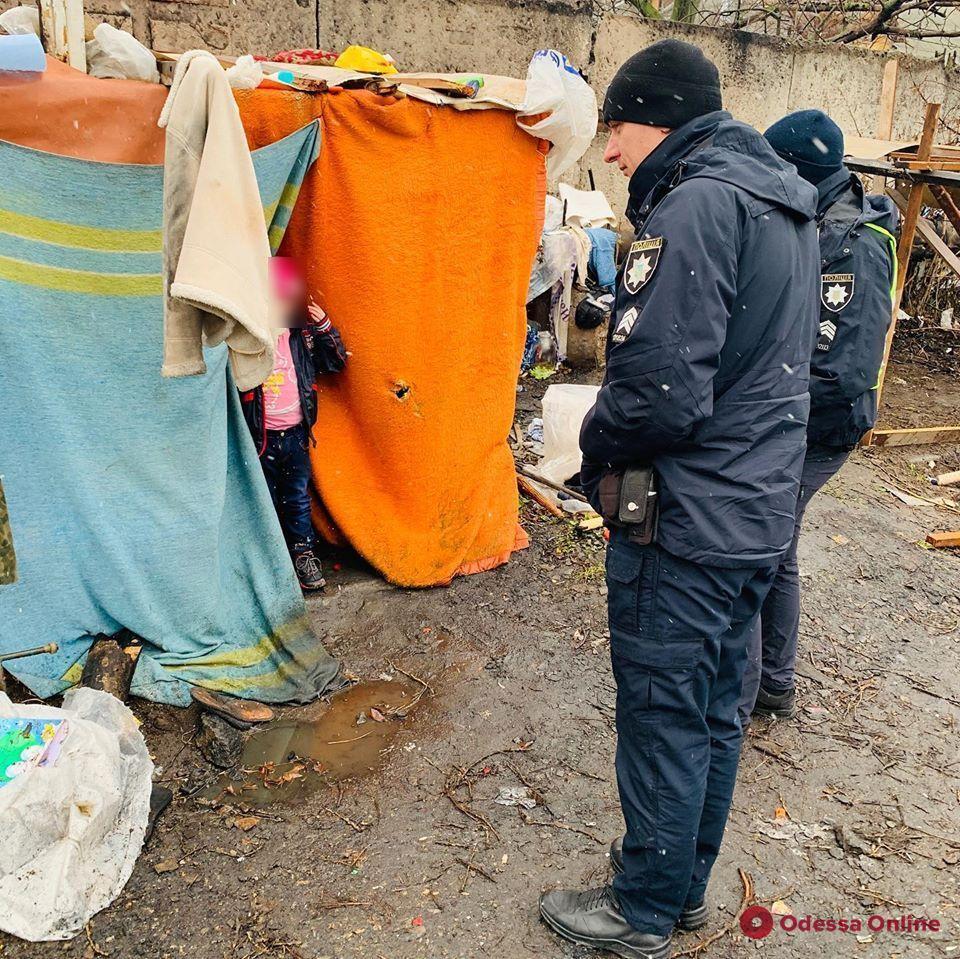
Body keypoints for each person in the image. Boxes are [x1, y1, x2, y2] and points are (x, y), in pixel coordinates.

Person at [538, 40, 820, 959]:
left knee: (663, 709)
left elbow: (659, 389)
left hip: (689, 520)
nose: (611, 152)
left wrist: (592, 453)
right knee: (711, 710)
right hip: (755, 515)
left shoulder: (697, 204)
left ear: (652, 116)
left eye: (614, 129)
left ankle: (642, 911)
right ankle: (684, 886)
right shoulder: (786, 205)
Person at [739, 110, 898, 723]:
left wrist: (758, 399)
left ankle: (753, 689)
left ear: (798, 171)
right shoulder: (814, 219)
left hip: (820, 427)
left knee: (760, 545)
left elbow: (843, 371)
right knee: (776, 547)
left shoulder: (853, 244)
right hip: (796, 415)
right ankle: (772, 682)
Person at [240, 258, 347, 592]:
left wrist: (325, 328)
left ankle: (303, 554)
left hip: (297, 437)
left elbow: (336, 362)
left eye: (285, 298)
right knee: (265, 499)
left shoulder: (303, 338)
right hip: (262, 439)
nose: (280, 305)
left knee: (297, 498)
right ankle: (272, 561)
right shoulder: (252, 340)